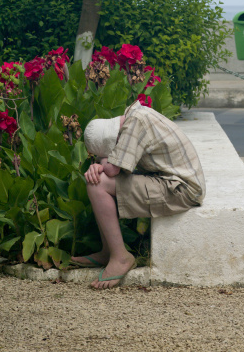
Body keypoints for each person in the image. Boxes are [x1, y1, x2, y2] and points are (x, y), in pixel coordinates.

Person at [71, 99, 206, 289]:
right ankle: (108, 251)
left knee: (97, 184)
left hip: (181, 189)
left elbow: (113, 170)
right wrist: (101, 163)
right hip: (175, 182)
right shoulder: (134, 115)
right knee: (98, 180)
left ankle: (120, 257)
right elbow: (111, 165)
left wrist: (98, 166)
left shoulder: (135, 123)